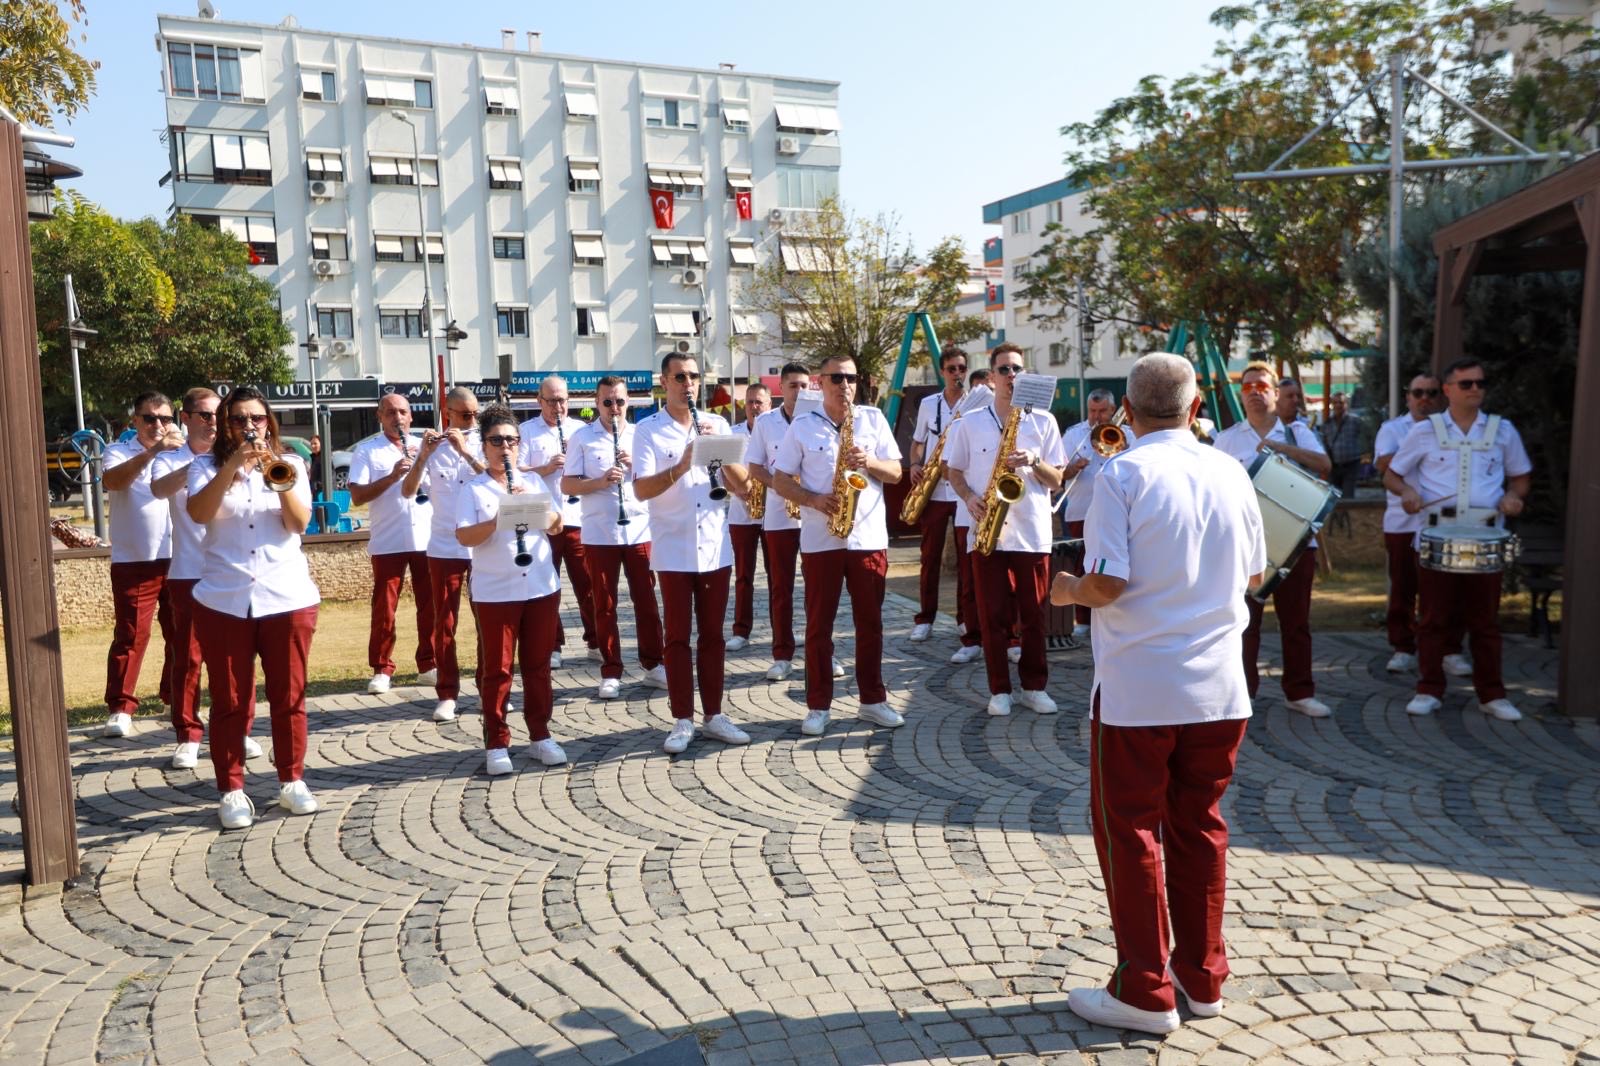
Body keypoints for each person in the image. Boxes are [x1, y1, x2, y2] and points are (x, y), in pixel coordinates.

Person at [1050, 353, 1266, 1036]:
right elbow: (1256, 574)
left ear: (1127, 416)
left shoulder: (1122, 474)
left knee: (1131, 831)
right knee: (1200, 826)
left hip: (1141, 688)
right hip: (1222, 689)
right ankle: (1202, 978)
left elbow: (1107, 583)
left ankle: (1144, 989)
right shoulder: (1231, 469)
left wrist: (1065, 591)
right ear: (1197, 408)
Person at [186, 386, 320, 830]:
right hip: (224, 598)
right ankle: (232, 790)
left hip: (286, 597)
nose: (250, 426)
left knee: (289, 696)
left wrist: (271, 473)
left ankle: (292, 780)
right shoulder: (204, 466)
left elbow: (299, 523)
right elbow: (200, 513)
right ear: (225, 424)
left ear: (270, 423)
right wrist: (232, 467)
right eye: (240, 419)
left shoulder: (291, 464)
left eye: (257, 419)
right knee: (229, 700)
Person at [1385, 357, 1532, 721]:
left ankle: (1492, 694)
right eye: (1466, 384)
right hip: (1436, 536)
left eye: (1480, 383)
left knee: (1485, 621)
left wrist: (1514, 497)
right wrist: (1406, 492)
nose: (1475, 390)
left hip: (1484, 537)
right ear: (1448, 390)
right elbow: (1392, 475)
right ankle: (1429, 688)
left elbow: (1520, 476)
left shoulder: (1502, 430)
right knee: (1433, 617)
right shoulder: (1424, 431)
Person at [771, 355, 906, 736]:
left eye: (850, 378)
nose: (844, 384)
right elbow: (781, 480)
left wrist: (870, 462)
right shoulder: (803, 424)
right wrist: (813, 499)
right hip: (820, 537)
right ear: (821, 382)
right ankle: (817, 705)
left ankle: (873, 701)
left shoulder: (873, 419)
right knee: (819, 627)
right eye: (836, 378)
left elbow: (895, 473)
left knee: (871, 625)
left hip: (867, 537)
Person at [632, 354, 754, 754]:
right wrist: (683, 464)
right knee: (678, 638)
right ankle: (682, 718)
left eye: (694, 377)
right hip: (672, 546)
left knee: (714, 637)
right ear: (664, 382)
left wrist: (719, 456)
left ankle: (715, 714)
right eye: (680, 377)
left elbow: (744, 488)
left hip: (714, 547)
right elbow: (641, 490)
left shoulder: (717, 425)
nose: (688, 384)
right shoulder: (648, 430)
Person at [943, 343, 1066, 717]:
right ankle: (1000, 690)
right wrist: (968, 498)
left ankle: (1034, 686)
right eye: (1005, 370)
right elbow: (954, 472)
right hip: (986, 531)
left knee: (1034, 616)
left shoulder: (1043, 421)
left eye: (1017, 370)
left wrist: (1035, 460)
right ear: (992, 376)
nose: (1012, 376)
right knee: (991, 616)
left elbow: (1057, 479)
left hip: (1030, 532)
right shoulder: (970, 422)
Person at [1212, 362, 1334, 718]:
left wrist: (1280, 447)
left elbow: (1324, 465)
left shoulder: (1297, 432)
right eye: (1247, 387)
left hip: (1296, 546)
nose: (1253, 392)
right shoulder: (1228, 437)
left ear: (1275, 393)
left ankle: (1299, 692)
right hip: (1245, 546)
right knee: (1243, 623)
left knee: (1296, 624)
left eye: (1261, 386)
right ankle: (1242, 693)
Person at [150, 387, 264, 768]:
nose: (212, 421)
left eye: (219, 414)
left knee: (238, 657)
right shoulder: (172, 458)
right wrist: (206, 463)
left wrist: (235, 459)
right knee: (188, 656)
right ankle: (188, 734)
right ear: (186, 418)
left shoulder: (245, 458)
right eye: (204, 415)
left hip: (233, 570)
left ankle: (242, 730)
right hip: (189, 569)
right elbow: (159, 489)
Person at [456, 405, 568, 774]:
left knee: (538, 667)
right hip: (495, 591)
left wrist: (532, 507)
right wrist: (499, 517)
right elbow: (464, 536)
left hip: (540, 585)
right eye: (496, 440)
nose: (505, 447)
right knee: (498, 670)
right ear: (484, 446)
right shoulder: (473, 488)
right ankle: (496, 743)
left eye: (511, 440)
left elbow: (556, 526)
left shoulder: (533, 482)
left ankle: (540, 735)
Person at [560, 376, 667, 699]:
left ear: (628, 402)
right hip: (599, 530)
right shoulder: (582, 437)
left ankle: (654, 664)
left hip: (639, 528)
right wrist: (600, 481)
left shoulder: (641, 434)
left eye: (619, 401)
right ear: (597, 404)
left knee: (646, 601)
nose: (614, 408)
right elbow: (567, 485)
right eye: (607, 402)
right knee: (603, 604)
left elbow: (658, 478)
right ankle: (611, 669)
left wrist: (635, 466)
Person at [100, 391, 180, 738]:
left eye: (164, 418)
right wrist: (154, 452)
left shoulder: (183, 450)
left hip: (180, 557)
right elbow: (114, 481)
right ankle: (121, 707)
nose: (158, 425)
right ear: (135, 421)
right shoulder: (118, 451)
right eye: (150, 418)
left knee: (182, 636)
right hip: (135, 558)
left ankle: (175, 698)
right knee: (132, 635)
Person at [406, 387, 486, 722]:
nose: (472, 420)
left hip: (483, 545)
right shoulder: (432, 449)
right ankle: (447, 693)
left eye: (475, 414)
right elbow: (408, 490)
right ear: (447, 413)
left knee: (488, 622)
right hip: (443, 546)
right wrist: (423, 455)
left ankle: (489, 689)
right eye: (465, 415)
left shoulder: (485, 442)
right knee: (445, 623)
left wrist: (466, 451)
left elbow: (497, 481)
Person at [347, 394, 435, 694]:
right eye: (390, 413)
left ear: (411, 417)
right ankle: (382, 668)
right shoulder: (366, 450)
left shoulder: (426, 445)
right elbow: (357, 496)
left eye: (402, 412)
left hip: (426, 537)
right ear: (379, 416)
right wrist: (392, 475)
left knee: (430, 606)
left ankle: (429, 664)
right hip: (389, 539)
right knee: (384, 608)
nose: (397, 418)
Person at [1374, 373, 1454, 674]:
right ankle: (1403, 646)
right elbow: (1385, 465)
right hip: (1402, 520)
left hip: (1441, 521)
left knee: (1444, 589)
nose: (1424, 399)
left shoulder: (1452, 430)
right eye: (1418, 392)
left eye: (1431, 393)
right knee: (1404, 587)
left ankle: (1448, 648)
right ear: (1407, 396)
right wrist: (1426, 454)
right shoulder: (1392, 428)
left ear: (1440, 397)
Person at [518, 376, 598, 666]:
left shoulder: (581, 430)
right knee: (546, 586)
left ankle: (596, 641)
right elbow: (516, 471)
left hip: (578, 518)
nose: (558, 406)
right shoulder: (525, 431)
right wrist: (546, 467)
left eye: (562, 399)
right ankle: (553, 646)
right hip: (544, 520)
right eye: (551, 400)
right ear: (539, 401)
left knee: (587, 585)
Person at [744, 364, 811, 682]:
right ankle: (782, 655)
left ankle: (822, 652)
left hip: (814, 515)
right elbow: (754, 466)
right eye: (793, 385)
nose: (799, 391)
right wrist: (782, 486)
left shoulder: (820, 419)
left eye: (804, 385)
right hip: (777, 514)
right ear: (780, 389)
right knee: (780, 588)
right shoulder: (766, 422)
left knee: (818, 588)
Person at [906, 348, 969, 643]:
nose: (958, 374)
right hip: (933, 489)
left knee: (966, 558)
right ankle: (925, 618)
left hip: (962, 488)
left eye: (962, 369)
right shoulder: (930, 404)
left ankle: (964, 619)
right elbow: (917, 442)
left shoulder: (975, 403)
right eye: (952, 369)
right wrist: (915, 464)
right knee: (929, 557)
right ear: (942, 371)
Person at [1058, 389, 1123, 641]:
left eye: (1102, 411)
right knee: (1083, 565)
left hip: (1115, 512)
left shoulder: (1126, 434)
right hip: (1081, 510)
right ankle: (1083, 620)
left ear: (1113, 410)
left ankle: (1115, 616)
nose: (1096, 417)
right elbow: (1058, 472)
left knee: (1113, 563)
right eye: (1093, 412)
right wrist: (1073, 467)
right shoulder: (1074, 434)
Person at [947, 367, 994, 665]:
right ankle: (972, 638)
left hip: (1006, 514)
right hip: (969, 513)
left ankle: (1009, 637)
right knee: (969, 581)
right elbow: (946, 468)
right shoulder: (961, 424)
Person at [727, 382, 772, 654]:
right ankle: (741, 631)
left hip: (774, 514)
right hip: (741, 514)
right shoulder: (733, 434)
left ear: (769, 405)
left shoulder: (780, 431)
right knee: (743, 576)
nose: (755, 407)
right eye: (751, 402)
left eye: (760, 402)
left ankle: (783, 630)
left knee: (777, 575)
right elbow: (723, 472)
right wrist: (737, 489)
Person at [1319, 391, 1363, 501]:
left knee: (1348, 497)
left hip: (1351, 465)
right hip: (1334, 466)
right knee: (1333, 497)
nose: (1338, 405)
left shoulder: (1356, 421)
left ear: (1346, 404)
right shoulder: (1327, 424)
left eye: (1341, 402)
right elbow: (1323, 443)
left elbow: (1365, 438)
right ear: (1332, 405)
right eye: (1336, 403)